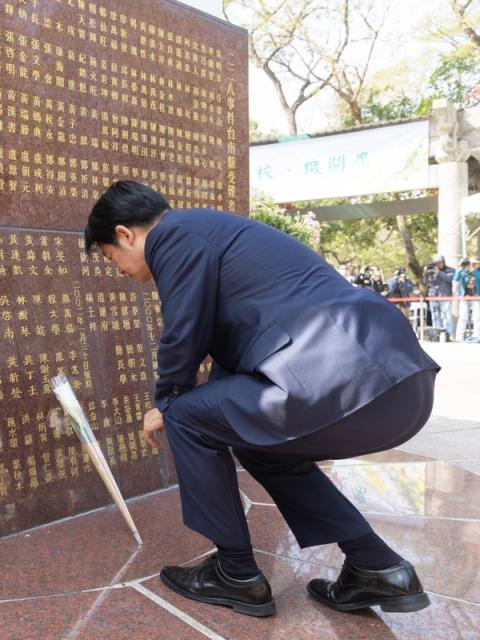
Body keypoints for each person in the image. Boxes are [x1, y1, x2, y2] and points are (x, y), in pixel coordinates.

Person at [84, 181, 439, 618]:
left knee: (185, 415)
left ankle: (234, 572)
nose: (116, 269)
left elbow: (183, 328)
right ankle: (377, 566)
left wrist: (168, 400)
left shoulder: (175, 232)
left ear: (125, 234)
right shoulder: (223, 243)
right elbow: (228, 370)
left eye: (108, 257)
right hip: (397, 386)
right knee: (257, 445)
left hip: (342, 378)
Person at [424, 254, 455, 337]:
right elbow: (425, 283)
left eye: (439, 263)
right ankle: (436, 335)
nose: (438, 265)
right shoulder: (431, 270)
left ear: (443, 262)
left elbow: (449, 279)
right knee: (435, 317)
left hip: (445, 297)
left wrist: (438, 272)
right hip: (433, 297)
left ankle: (449, 335)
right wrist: (426, 274)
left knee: (447, 318)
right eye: (436, 263)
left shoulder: (450, 270)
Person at [454, 257, 479, 341]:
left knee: (477, 318)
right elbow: (455, 279)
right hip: (464, 297)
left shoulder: (477, 272)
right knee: (463, 317)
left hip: (476, 297)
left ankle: (477, 337)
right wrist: (460, 268)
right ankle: (459, 338)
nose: (472, 265)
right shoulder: (462, 271)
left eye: (475, 263)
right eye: (471, 263)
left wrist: (473, 271)